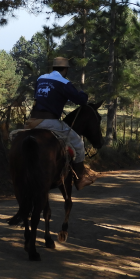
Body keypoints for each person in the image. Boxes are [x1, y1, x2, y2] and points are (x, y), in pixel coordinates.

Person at [25, 57, 96, 190]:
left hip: (32, 122)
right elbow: (81, 101)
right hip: (50, 122)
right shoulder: (64, 82)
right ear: (66, 69)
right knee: (79, 144)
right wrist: (83, 94)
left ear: (53, 67)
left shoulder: (41, 78)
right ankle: (80, 179)